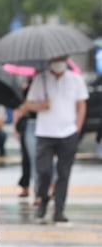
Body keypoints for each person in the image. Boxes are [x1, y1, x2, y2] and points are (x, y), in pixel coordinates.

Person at [26, 56, 89, 223]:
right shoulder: (40, 79)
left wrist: (77, 128)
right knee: (44, 171)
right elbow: (29, 104)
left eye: (62, 59)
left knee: (64, 172)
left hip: (68, 133)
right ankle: (43, 202)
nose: (59, 62)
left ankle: (59, 210)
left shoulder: (76, 79)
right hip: (44, 133)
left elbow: (82, 105)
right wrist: (40, 106)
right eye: (56, 59)